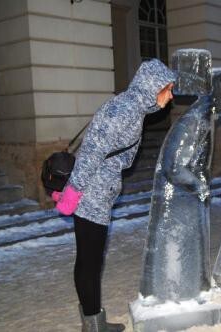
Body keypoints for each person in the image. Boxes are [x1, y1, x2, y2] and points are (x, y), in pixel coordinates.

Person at [51, 59, 176, 332]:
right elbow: (92, 152)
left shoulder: (134, 108)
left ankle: (93, 320)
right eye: (168, 89)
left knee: (89, 259)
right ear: (152, 87)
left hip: (97, 192)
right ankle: (94, 325)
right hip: (91, 194)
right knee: (90, 261)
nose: (171, 95)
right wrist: (73, 193)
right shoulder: (125, 111)